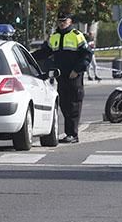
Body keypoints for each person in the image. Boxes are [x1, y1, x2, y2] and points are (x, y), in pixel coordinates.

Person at [34, 10, 93, 144]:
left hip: (73, 76)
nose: (62, 24)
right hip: (60, 76)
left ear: (70, 21)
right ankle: (69, 133)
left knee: (74, 105)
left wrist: (77, 70)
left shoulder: (77, 35)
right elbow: (44, 52)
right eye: (60, 21)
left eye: (64, 21)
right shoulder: (54, 36)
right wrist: (29, 57)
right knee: (64, 105)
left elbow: (87, 55)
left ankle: (72, 134)